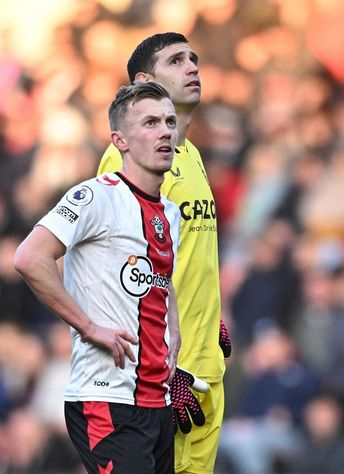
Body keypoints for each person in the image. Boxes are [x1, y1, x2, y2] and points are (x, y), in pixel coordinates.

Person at [13, 81, 182, 474]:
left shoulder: (169, 213)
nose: (165, 132)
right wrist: (88, 326)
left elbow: (159, 275)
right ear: (119, 140)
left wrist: (174, 327)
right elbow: (29, 257)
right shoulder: (94, 196)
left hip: (155, 403)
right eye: (151, 123)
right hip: (106, 399)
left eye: (170, 122)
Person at [97, 32, 230, 473]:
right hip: (166, 377)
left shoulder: (188, 155)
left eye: (194, 58)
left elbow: (182, 253)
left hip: (204, 365)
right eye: (176, 61)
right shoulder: (129, 156)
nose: (193, 67)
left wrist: (212, 315)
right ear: (143, 81)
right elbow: (117, 270)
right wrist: (162, 374)